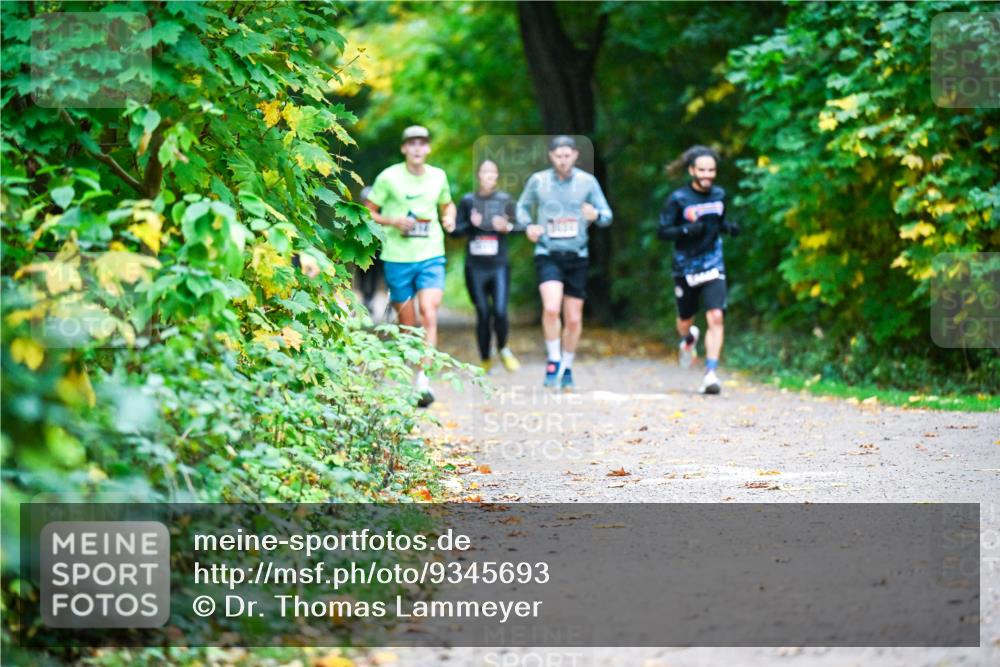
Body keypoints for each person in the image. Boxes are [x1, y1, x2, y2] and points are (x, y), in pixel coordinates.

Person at [365, 125, 456, 407]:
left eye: (422, 143)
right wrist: (394, 222)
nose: (417, 148)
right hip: (398, 257)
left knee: (429, 312)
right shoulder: (389, 177)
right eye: (412, 143)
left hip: (431, 254)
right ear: (404, 148)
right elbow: (368, 211)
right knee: (408, 325)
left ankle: (424, 381)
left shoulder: (438, 176)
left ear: (428, 148)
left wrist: (449, 219)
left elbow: (447, 205)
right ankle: (412, 377)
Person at [516, 135, 612, 391]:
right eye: (558, 156)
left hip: (577, 255)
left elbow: (607, 215)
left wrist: (597, 214)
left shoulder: (587, 182)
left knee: (572, 318)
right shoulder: (538, 181)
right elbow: (521, 209)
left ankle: (567, 367)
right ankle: (553, 360)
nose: (563, 160)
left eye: (567, 155)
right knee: (550, 308)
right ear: (551, 156)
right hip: (548, 252)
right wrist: (529, 226)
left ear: (575, 156)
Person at [657, 145, 740, 395]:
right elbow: (662, 231)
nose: (707, 174)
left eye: (711, 170)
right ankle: (687, 339)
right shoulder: (678, 199)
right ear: (692, 170)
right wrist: (684, 230)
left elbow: (717, 221)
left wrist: (728, 228)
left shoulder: (719, 194)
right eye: (702, 170)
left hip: (713, 262)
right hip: (685, 266)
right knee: (685, 320)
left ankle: (711, 373)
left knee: (716, 316)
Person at [452, 160, 522, 373]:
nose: (488, 176)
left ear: (497, 176)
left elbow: (522, 226)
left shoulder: (504, 200)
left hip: (499, 265)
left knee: (500, 311)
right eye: (484, 173)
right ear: (478, 175)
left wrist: (507, 227)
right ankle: (485, 358)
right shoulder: (467, 201)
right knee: (483, 312)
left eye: (492, 173)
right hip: (475, 267)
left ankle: (502, 348)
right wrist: (470, 225)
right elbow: (454, 231)